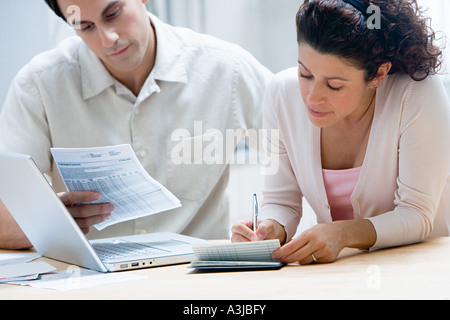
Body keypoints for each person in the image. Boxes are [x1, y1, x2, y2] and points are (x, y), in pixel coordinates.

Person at [0, 0, 272, 249]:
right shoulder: (39, 85)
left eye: (113, 14)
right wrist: (48, 222)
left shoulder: (226, 70)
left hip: (196, 278)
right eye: (85, 26)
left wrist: (282, 219)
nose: (109, 39)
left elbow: (306, 143)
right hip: (90, 283)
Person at [232, 0, 450, 265]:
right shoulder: (281, 94)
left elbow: (416, 214)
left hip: (419, 268)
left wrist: (342, 233)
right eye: (305, 74)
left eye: (334, 86)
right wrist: (268, 229)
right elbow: (282, 201)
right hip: (339, 275)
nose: (313, 98)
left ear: (378, 75)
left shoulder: (416, 92)